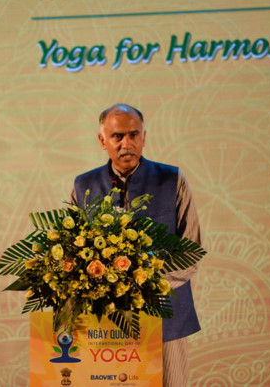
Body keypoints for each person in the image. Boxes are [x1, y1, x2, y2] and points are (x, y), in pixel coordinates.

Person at [73, 104, 202, 387]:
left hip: (166, 316)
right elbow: (72, 253)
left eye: (133, 135)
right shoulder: (83, 186)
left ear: (144, 137)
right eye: (117, 137)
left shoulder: (172, 181)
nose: (126, 144)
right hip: (106, 321)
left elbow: (191, 251)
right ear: (102, 140)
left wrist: (141, 284)